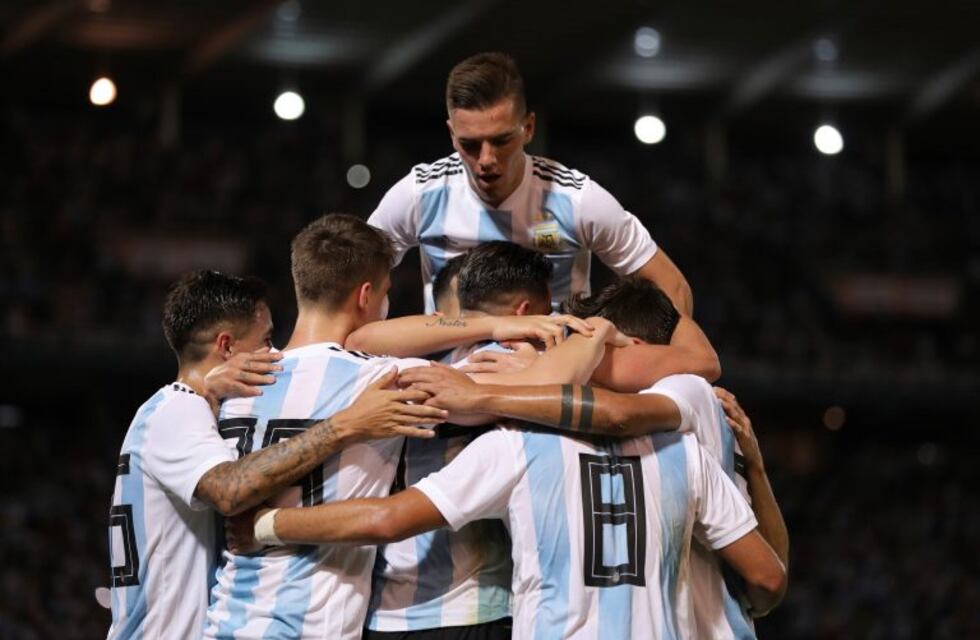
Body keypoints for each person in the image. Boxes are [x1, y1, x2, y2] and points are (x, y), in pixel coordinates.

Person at [205, 215, 628, 640]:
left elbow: (366, 338)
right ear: (367, 295)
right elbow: (544, 387)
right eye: (387, 293)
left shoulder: (234, 384)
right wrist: (589, 336)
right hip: (314, 624)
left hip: (225, 616)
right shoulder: (381, 381)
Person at [227, 414, 786, 640]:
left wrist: (270, 523)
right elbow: (767, 580)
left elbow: (387, 518)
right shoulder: (684, 451)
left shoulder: (516, 444)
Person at [107, 270, 441, 640]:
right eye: (265, 340)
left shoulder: (190, 410)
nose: (276, 354)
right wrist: (346, 425)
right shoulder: (176, 411)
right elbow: (229, 490)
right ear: (226, 346)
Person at [367, 52, 695, 325]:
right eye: (469, 144)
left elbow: (673, 287)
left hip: (551, 383)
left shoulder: (577, 200)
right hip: (448, 387)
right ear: (451, 134)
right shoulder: (420, 194)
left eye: (501, 140)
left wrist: (674, 372)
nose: (486, 159)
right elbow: (352, 287)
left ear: (528, 128)